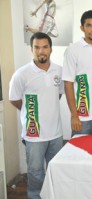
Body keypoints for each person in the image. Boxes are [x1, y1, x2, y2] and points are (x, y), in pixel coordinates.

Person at [9, 32, 63, 199]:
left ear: (51, 49)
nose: (41, 51)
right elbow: (14, 99)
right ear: (31, 50)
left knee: (55, 172)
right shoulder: (21, 74)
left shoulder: (59, 71)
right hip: (34, 136)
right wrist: (30, 113)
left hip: (56, 134)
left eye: (45, 47)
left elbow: (58, 95)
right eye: (37, 47)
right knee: (35, 173)